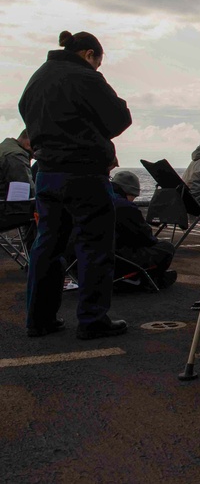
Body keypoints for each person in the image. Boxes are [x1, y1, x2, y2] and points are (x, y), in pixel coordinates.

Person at [18, 30, 132, 339]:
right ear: (89, 54)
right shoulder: (86, 77)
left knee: (47, 246)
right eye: (98, 61)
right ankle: (92, 319)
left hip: (46, 172)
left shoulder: (38, 77)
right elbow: (120, 118)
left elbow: (23, 110)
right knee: (94, 247)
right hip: (84, 174)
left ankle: (38, 319)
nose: (97, 67)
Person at [109, 170, 176, 290]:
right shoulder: (124, 207)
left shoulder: (96, 199)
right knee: (166, 247)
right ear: (128, 192)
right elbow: (146, 238)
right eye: (133, 196)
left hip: (80, 261)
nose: (133, 200)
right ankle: (142, 279)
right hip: (115, 262)